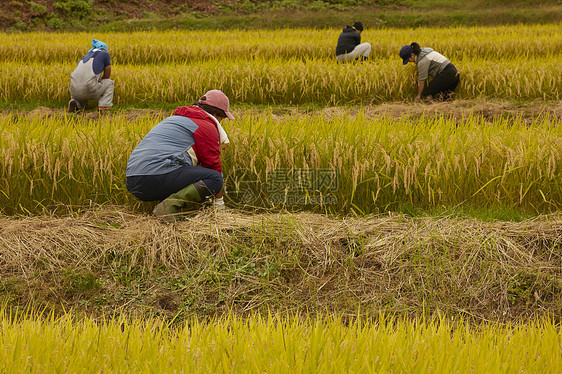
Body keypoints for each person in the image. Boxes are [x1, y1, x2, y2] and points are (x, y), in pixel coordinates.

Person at [125, 89, 234, 222]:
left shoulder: (175, 119)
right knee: (215, 179)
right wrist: (219, 204)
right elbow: (213, 166)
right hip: (154, 177)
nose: (221, 122)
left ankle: (169, 211)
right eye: (222, 118)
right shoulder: (205, 125)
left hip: (133, 181)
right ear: (216, 114)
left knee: (184, 172)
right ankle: (167, 208)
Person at [68, 39, 114, 113]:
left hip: (73, 91)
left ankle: (76, 103)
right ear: (103, 49)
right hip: (88, 89)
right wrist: (100, 82)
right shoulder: (104, 54)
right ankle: (104, 105)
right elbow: (107, 74)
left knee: (82, 87)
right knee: (109, 83)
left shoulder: (83, 58)